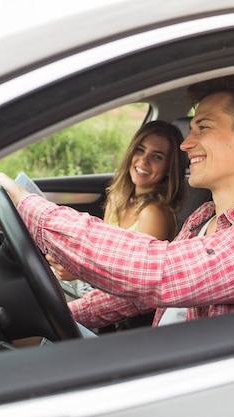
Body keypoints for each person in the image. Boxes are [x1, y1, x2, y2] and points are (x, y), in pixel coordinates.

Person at [0, 74, 234, 330]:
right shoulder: (204, 217)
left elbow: (160, 273)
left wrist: (33, 211)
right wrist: (59, 317)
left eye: (203, 128)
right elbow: (137, 297)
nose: (185, 144)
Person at [46, 120, 186, 307]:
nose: (143, 160)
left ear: (170, 168)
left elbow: (136, 285)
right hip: (88, 287)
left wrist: (80, 272)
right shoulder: (118, 198)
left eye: (157, 157)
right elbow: (99, 254)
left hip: (107, 301)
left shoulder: (153, 213)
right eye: (140, 150)